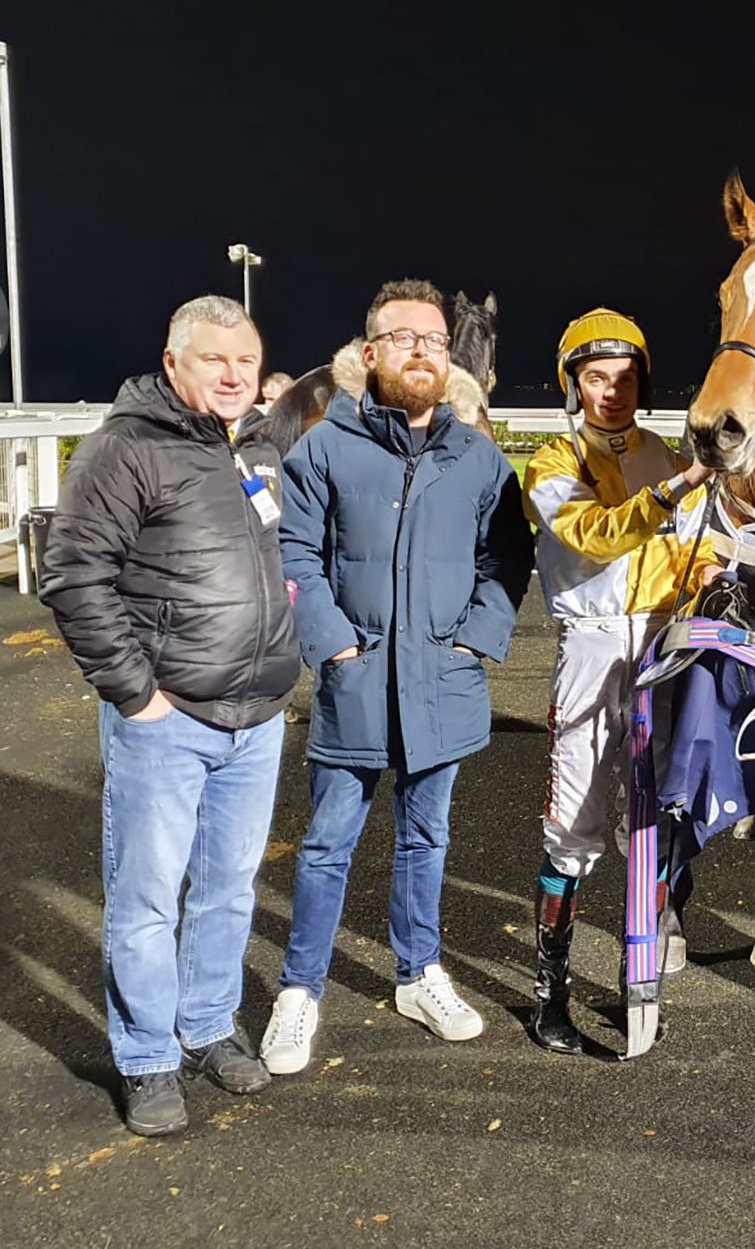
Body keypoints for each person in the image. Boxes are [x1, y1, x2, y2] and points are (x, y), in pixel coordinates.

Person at [41, 295, 300, 1137]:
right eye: (214, 360)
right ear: (173, 361)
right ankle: (148, 1054)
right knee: (147, 898)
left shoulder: (256, 444)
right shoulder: (125, 447)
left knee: (227, 889)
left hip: (255, 717)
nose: (233, 375)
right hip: (170, 716)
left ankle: (207, 1026)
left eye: (246, 361)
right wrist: (135, 694)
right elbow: (76, 576)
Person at [260, 280, 533, 1074]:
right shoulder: (323, 448)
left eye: (436, 340)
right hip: (359, 677)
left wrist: (475, 640)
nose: (423, 349)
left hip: (442, 678)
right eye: (405, 336)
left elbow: (507, 555)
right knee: (327, 843)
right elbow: (296, 555)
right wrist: (334, 645)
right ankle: (299, 989)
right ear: (370, 351)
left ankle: (419, 972)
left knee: (427, 836)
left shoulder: (477, 456)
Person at [521, 307, 716, 1054]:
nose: (612, 392)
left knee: (658, 820)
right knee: (573, 831)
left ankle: (643, 974)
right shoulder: (550, 461)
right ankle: (550, 995)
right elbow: (597, 534)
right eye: (597, 378)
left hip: (665, 647)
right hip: (595, 650)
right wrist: (676, 491)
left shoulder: (664, 453)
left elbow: (698, 549)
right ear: (573, 384)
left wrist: (720, 573)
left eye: (626, 378)